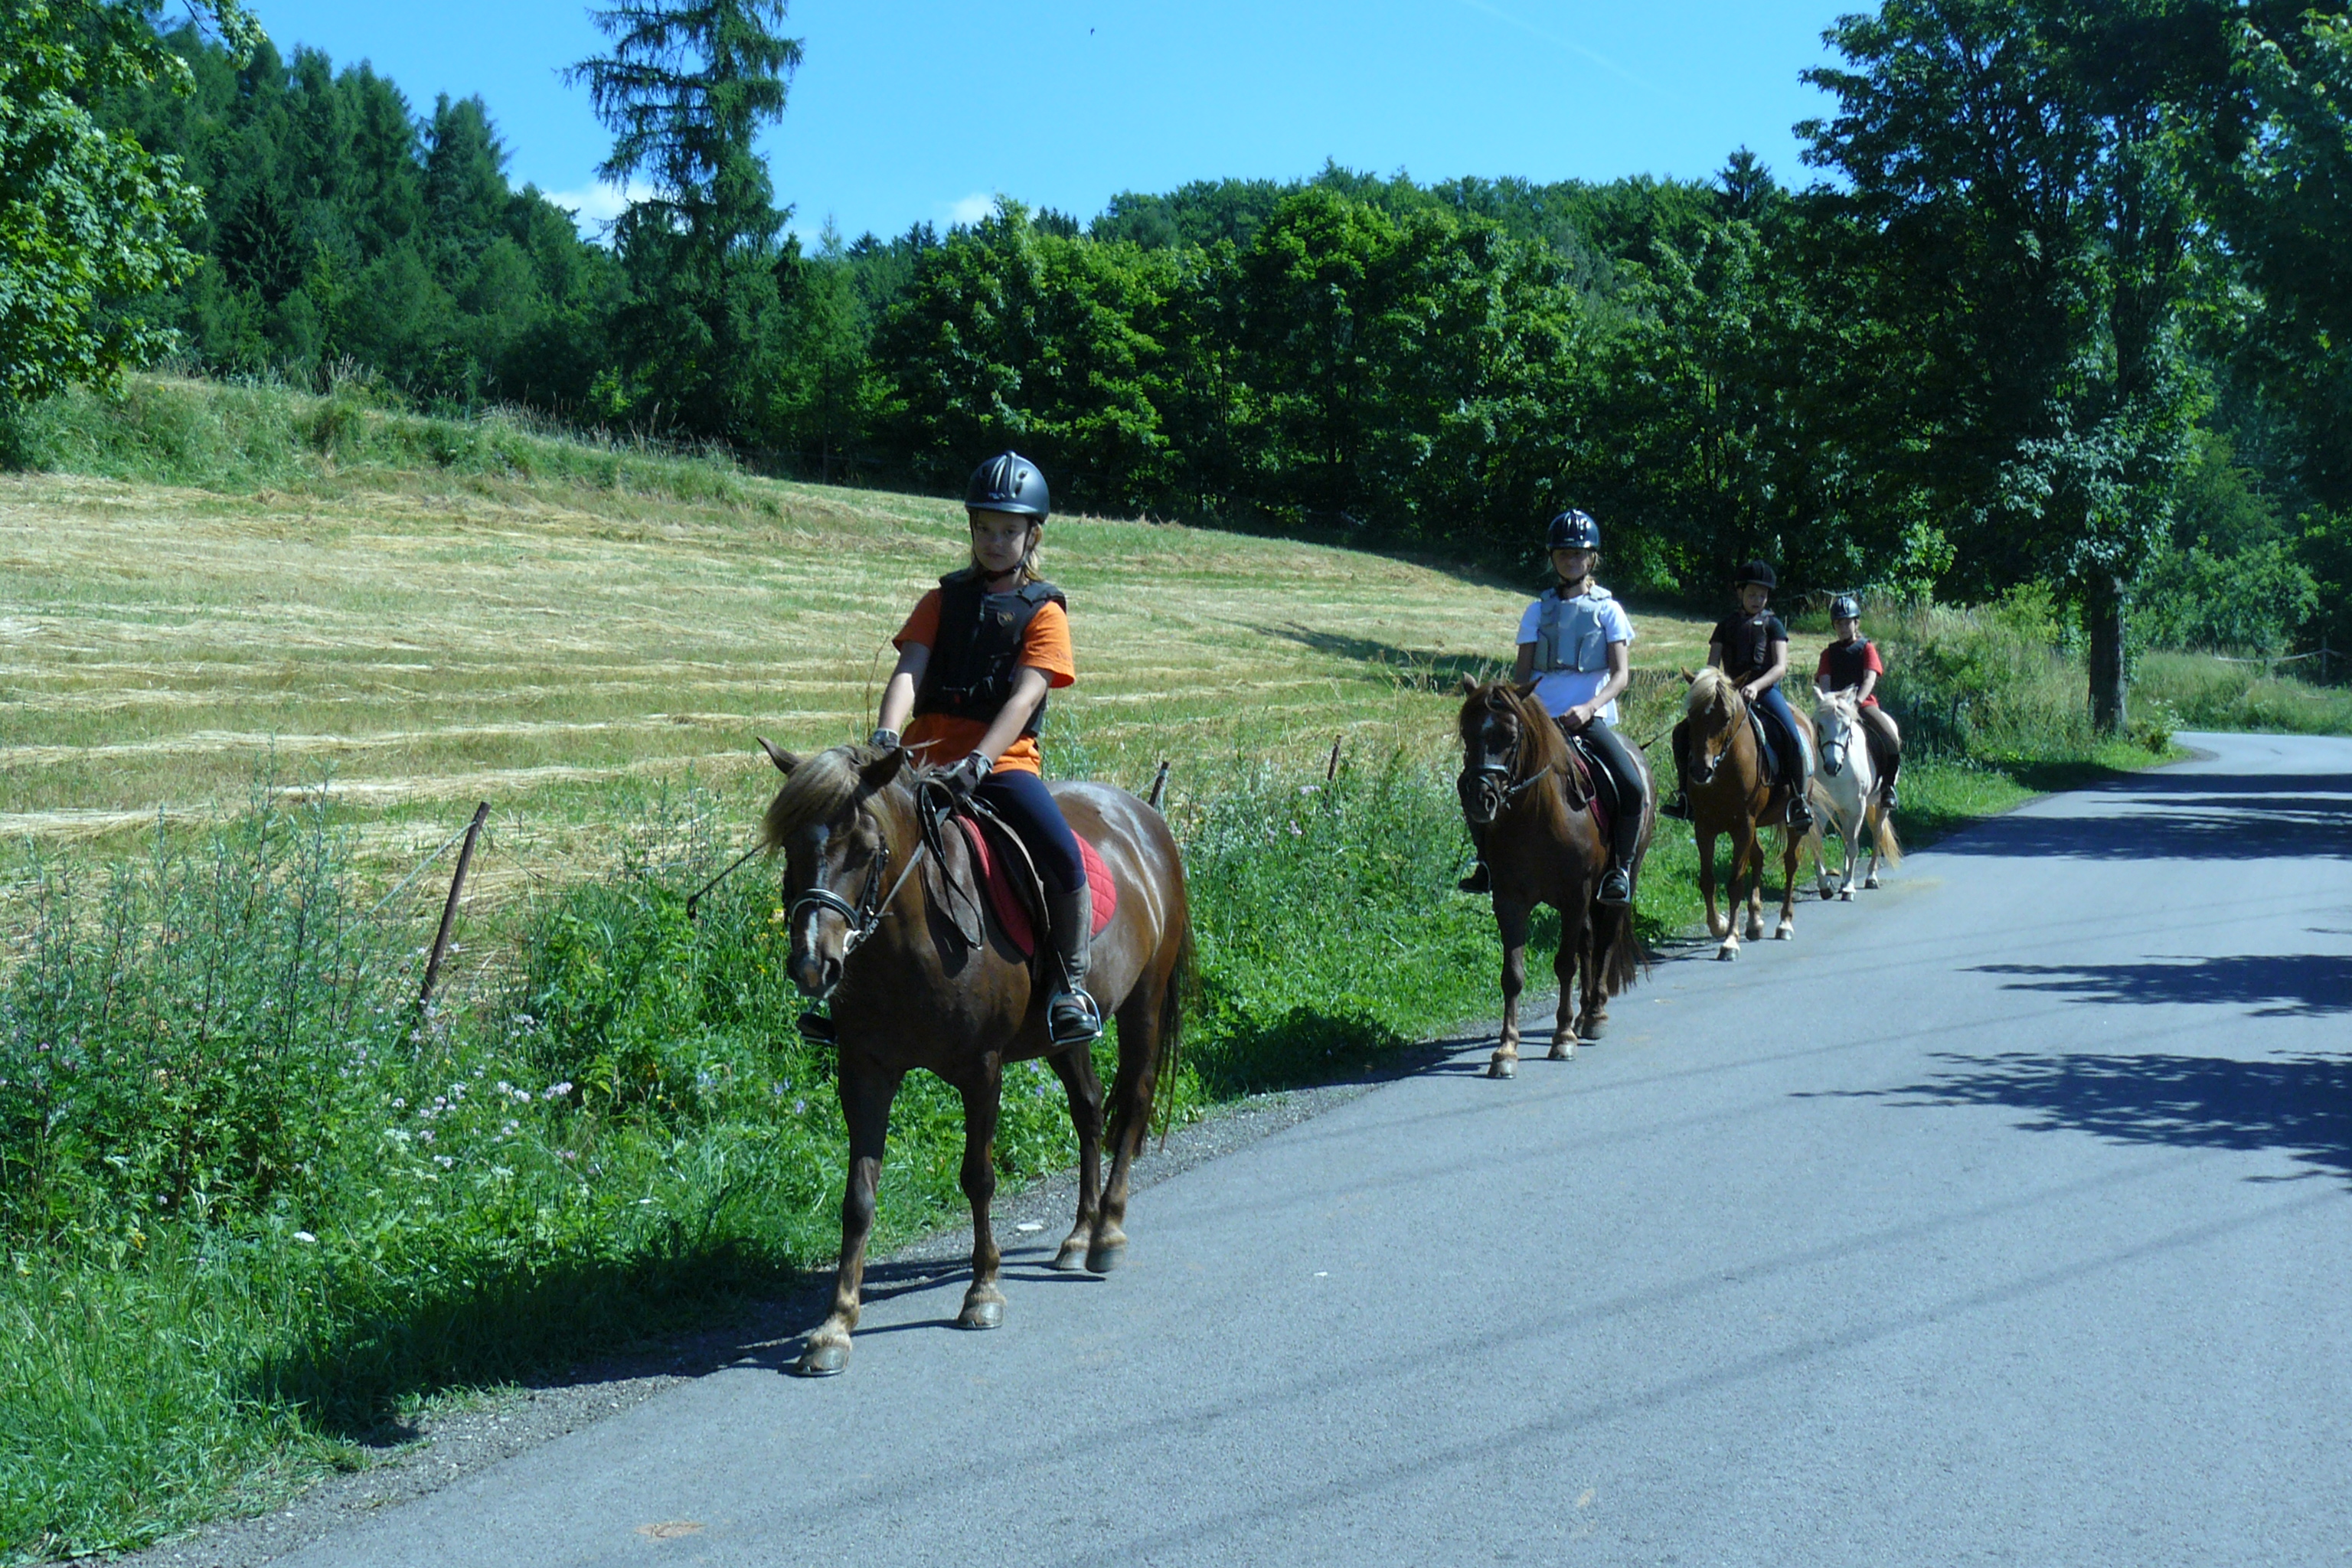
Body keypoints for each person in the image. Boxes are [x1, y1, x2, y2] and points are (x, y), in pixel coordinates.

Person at [870, 451, 1101, 1046]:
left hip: (1000, 767)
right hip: (920, 765)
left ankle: (1070, 986)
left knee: (1061, 855)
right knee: (854, 839)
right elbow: (909, 672)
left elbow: (1024, 699)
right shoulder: (940, 602)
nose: (995, 542)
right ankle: (843, 988)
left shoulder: (1045, 612)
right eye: (985, 529)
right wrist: (887, 739)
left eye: (1009, 531)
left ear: (1033, 535)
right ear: (971, 529)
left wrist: (977, 763)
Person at [1459, 508, 1650, 906]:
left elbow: (1621, 676)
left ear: (1591, 558)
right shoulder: (1536, 611)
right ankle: (1488, 864)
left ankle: (1619, 868)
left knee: (1631, 787)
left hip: (1588, 721)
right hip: (1539, 722)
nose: (1570, 561)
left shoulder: (1608, 611)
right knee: (1476, 780)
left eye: (1578, 554)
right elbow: (1522, 677)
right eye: (1563, 554)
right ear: (1553, 559)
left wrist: (1589, 707)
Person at [1665, 560, 1813, 829]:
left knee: (1792, 736)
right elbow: (1712, 665)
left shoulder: (1774, 625)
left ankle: (1798, 800)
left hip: (1766, 692)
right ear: (1740, 593)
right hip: (1728, 694)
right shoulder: (1725, 626)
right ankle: (1685, 796)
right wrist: (1707, 685)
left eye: (1762, 595)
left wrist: (1757, 686)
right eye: (1752, 594)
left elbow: (1780, 667)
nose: (1758, 600)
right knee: (1682, 733)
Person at [1815, 593, 1901, 812]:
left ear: (1856, 623)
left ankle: (1887, 788)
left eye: (1847, 622)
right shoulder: (1828, 653)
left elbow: (1870, 677)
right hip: (1834, 708)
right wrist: (1829, 703)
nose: (1843, 627)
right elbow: (1825, 681)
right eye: (1839, 623)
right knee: (1804, 736)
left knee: (1891, 739)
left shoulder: (1866, 648)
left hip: (1862, 705)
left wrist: (1857, 702)